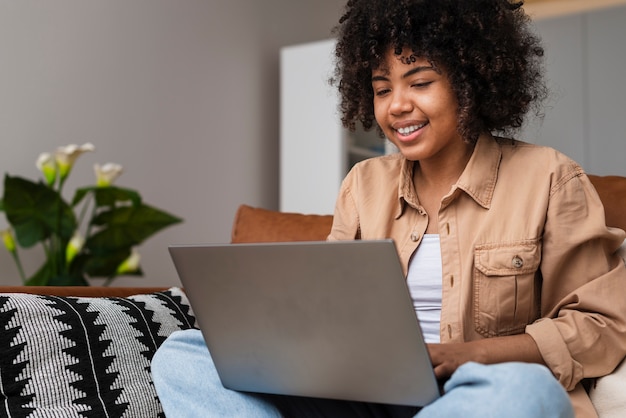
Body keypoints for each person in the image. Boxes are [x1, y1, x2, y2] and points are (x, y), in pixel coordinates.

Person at [151, 0, 626, 417]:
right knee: (184, 354)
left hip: (479, 390)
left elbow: (600, 327)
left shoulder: (549, 177)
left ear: (471, 83)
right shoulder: (363, 185)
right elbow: (325, 307)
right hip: (365, 396)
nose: (397, 105)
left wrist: (466, 356)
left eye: (419, 82)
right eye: (381, 89)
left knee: (524, 390)